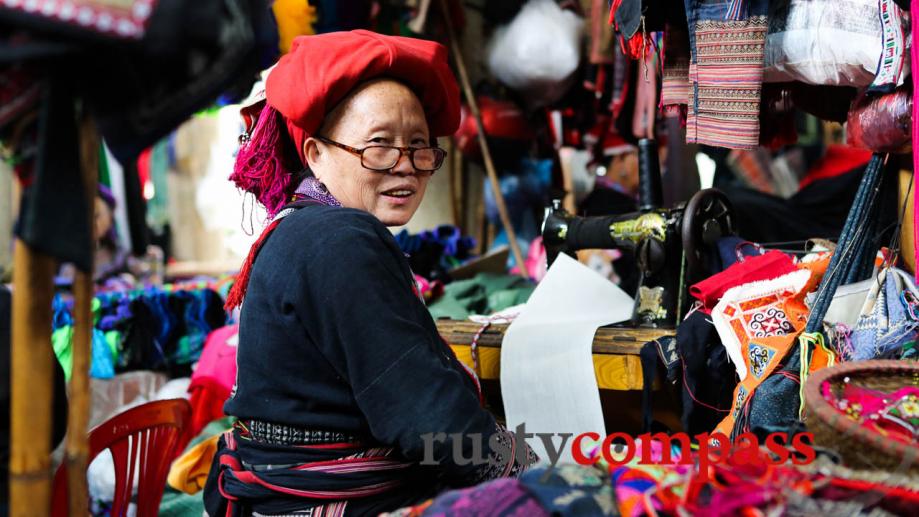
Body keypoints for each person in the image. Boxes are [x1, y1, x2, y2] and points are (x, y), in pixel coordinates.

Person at [204, 30, 535, 516]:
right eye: (379, 146)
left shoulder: (303, 228)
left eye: (420, 147)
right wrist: (530, 472)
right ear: (316, 154)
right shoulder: (341, 240)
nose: (405, 167)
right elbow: (424, 414)